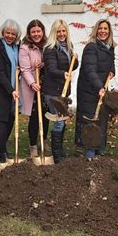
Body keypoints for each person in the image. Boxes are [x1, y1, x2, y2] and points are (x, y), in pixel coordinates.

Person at [74, 19, 115, 158]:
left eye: (105, 28)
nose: (103, 31)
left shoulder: (109, 47)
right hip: (89, 90)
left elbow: (111, 63)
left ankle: (99, 151)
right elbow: (90, 70)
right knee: (89, 121)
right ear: (96, 30)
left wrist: (112, 71)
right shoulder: (91, 47)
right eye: (100, 28)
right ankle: (89, 153)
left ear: (109, 31)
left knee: (101, 119)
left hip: (101, 90)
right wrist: (99, 86)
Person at [43, 19, 78, 163]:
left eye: (64, 31)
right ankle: (57, 155)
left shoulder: (68, 46)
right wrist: (63, 73)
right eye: (59, 31)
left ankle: (60, 151)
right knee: (58, 121)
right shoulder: (50, 48)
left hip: (63, 90)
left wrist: (75, 60)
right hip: (53, 91)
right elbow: (51, 69)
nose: (62, 34)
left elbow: (71, 65)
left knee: (62, 121)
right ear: (54, 33)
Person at [0, 19, 21, 163]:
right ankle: (2, 152)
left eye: (13, 34)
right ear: (2, 32)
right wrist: (10, 89)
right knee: (3, 119)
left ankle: (3, 145)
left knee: (12, 117)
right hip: (0, 89)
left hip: (14, 87)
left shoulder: (16, 47)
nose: (10, 36)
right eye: (7, 32)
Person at [19, 19, 49, 158]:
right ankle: (33, 145)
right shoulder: (25, 48)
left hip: (46, 84)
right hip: (33, 86)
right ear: (29, 34)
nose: (36, 34)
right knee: (35, 117)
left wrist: (42, 64)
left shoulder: (48, 45)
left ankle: (44, 140)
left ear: (42, 31)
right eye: (33, 32)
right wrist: (32, 83)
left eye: (38, 31)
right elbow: (24, 69)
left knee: (46, 114)